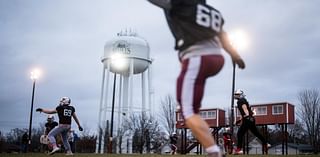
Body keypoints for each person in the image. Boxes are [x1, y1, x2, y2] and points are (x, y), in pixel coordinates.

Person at [147, 0, 245, 157]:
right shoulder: (211, 11)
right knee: (194, 112)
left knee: (188, 112)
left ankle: (214, 152)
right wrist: (234, 54)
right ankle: (212, 148)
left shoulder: (182, 4)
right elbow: (222, 34)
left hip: (197, 57)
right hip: (216, 58)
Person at [234, 89, 270, 154]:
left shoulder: (241, 101)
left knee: (240, 134)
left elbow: (245, 109)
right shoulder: (244, 100)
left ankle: (239, 149)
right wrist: (240, 120)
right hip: (251, 119)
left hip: (248, 119)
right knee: (256, 133)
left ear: (240, 95)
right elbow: (243, 112)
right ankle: (266, 144)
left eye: (236, 94)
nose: (235, 96)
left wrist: (246, 116)